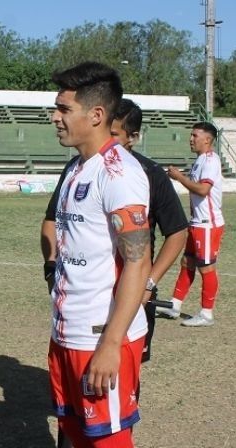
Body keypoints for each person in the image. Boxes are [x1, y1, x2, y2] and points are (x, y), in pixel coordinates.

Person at [45, 61, 151, 448]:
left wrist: (111, 342)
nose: (55, 118)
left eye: (63, 109)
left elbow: (139, 262)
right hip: (67, 333)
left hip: (100, 338)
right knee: (76, 437)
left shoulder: (119, 173)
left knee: (108, 443)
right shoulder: (77, 167)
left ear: (96, 114)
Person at [43, 98, 187, 363]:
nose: (104, 139)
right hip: (83, 306)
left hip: (132, 291)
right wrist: (51, 268)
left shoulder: (148, 173)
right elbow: (51, 220)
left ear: (133, 137)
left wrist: (148, 283)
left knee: (122, 378)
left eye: (113, 134)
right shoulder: (77, 168)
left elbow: (177, 232)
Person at [155, 122, 225, 327]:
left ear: (207, 139)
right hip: (197, 223)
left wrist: (179, 177)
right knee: (187, 263)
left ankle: (206, 314)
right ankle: (175, 305)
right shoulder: (200, 160)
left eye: (195, 135)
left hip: (208, 225)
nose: (191, 139)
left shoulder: (211, 161)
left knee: (206, 267)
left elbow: (203, 190)